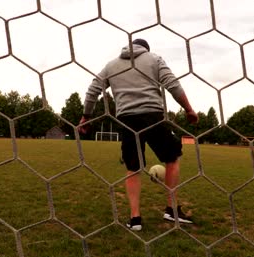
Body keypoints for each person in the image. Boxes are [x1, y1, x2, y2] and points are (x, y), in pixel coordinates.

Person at [78, 39, 198, 231]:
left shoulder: (111, 65)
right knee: (173, 156)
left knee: (132, 167)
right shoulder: (154, 59)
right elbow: (172, 85)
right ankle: (171, 209)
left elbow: (93, 89)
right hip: (152, 115)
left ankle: (135, 219)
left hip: (127, 120)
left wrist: (86, 116)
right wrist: (189, 109)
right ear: (146, 50)